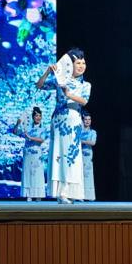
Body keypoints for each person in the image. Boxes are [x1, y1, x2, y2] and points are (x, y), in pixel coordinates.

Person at [36, 49, 90, 204]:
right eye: (78, 63)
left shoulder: (85, 85)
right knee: (58, 155)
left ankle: (67, 191)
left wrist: (68, 94)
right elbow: (39, 86)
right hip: (59, 122)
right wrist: (47, 72)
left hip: (73, 121)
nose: (81, 66)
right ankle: (60, 192)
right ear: (70, 65)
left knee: (71, 155)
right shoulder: (60, 81)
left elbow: (84, 101)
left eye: (83, 63)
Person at [14, 107, 46, 202]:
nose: (38, 117)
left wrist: (30, 137)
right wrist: (17, 124)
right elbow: (15, 132)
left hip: (37, 155)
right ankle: (29, 194)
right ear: (33, 117)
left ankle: (38, 194)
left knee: (37, 174)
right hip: (27, 154)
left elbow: (42, 140)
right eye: (36, 115)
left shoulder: (42, 129)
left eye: (40, 116)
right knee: (28, 173)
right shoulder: (27, 127)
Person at [80, 111, 97, 202]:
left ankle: (89, 195)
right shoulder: (78, 132)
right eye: (85, 119)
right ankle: (80, 195)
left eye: (89, 119)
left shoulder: (93, 132)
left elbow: (93, 142)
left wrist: (81, 141)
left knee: (88, 174)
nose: (87, 121)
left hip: (88, 154)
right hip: (79, 155)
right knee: (79, 174)